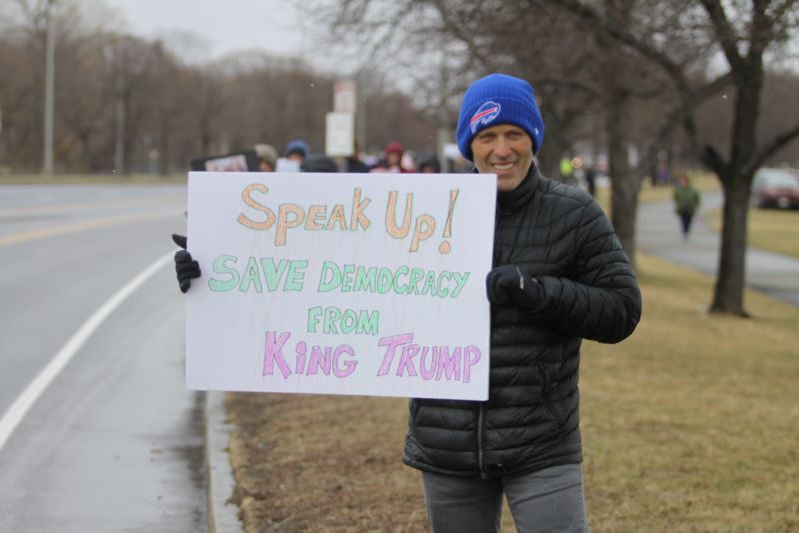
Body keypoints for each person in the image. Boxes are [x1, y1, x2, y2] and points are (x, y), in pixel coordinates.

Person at [172, 73, 642, 533]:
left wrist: (536, 292)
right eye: (488, 136)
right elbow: (319, 265)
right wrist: (217, 267)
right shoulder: (421, 208)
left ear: (534, 139)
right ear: (468, 145)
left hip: (541, 444)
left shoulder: (575, 213)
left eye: (515, 134)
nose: (502, 149)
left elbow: (622, 310)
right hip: (447, 446)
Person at [672, 170, 701, 240]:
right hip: (682, 208)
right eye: (683, 181)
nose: (684, 183)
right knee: (683, 220)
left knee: (689, 221)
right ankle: (684, 232)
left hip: (690, 209)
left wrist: (696, 205)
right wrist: (678, 203)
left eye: (685, 181)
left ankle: (687, 231)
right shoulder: (679, 189)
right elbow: (675, 197)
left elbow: (697, 198)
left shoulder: (693, 190)